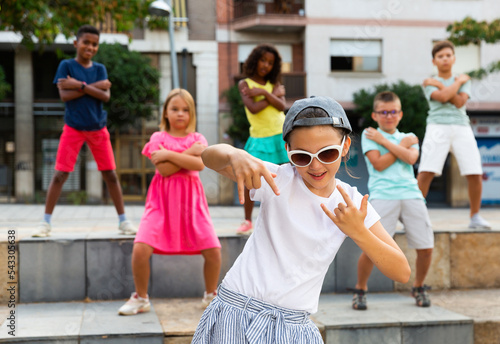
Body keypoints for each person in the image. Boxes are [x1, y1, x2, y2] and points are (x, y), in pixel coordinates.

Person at [191, 96, 411, 343]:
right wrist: (234, 154)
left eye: (327, 153)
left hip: (294, 327)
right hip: (238, 312)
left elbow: (401, 271)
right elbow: (207, 156)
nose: (315, 165)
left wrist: (359, 231)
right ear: (288, 152)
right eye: (302, 157)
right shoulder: (278, 178)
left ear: (345, 146)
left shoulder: (351, 202)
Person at [118, 89, 221, 315]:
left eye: (185, 110)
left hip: (191, 203)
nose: (180, 114)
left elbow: (199, 165)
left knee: (213, 250)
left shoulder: (199, 139)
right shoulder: (158, 138)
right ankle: (141, 297)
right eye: (174, 109)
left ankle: (211, 295)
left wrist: (170, 155)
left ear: (192, 113)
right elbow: (163, 170)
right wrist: (187, 153)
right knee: (140, 248)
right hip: (161, 202)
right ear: (165, 112)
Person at [33, 25, 136, 237]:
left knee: (111, 175)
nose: (90, 47)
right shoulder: (66, 65)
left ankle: (123, 221)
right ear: (75, 43)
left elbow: (105, 97)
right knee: (60, 174)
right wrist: (93, 87)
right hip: (73, 128)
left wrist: (78, 86)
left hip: (98, 128)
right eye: (86, 42)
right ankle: (45, 222)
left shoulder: (100, 68)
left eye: (94, 44)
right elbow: (64, 96)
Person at [350, 91, 434, 310]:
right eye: (383, 112)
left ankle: (419, 286)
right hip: (382, 195)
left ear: (400, 114)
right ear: (375, 115)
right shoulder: (370, 135)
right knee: (371, 248)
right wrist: (400, 146)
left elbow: (412, 158)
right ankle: (361, 289)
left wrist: (385, 142)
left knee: (426, 246)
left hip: (412, 195)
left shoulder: (409, 137)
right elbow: (379, 164)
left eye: (393, 112)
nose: (389, 116)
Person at [418, 40, 491, 229]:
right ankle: (416, 216)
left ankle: (475, 217)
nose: (445, 59)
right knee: (426, 171)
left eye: (448, 55)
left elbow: (459, 103)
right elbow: (443, 98)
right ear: (434, 61)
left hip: (461, 127)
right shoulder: (432, 82)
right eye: (440, 56)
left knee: (474, 171)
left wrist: (446, 84)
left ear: (454, 58)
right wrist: (457, 82)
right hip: (436, 126)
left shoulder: (436, 82)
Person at [236, 43, 289, 235]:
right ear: (254, 60)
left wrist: (265, 93)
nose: (266, 65)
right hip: (259, 137)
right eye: (263, 60)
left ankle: (282, 218)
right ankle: (247, 221)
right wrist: (272, 97)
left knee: (284, 177)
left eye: (270, 63)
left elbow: (281, 106)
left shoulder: (272, 85)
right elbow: (253, 108)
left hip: (279, 135)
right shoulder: (245, 84)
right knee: (249, 179)